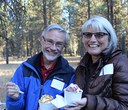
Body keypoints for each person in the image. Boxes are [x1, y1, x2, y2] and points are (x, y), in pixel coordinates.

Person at [64, 16, 128, 110]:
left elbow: (124, 106)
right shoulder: (82, 67)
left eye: (100, 34)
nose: (92, 40)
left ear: (109, 38)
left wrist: (88, 102)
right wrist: (71, 94)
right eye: (88, 35)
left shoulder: (120, 63)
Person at [6, 24, 75, 110]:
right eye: (49, 41)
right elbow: (12, 108)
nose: (53, 48)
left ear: (63, 47)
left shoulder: (70, 74)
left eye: (59, 44)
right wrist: (15, 99)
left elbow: (71, 106)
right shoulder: (24, 70)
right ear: (42, 40)